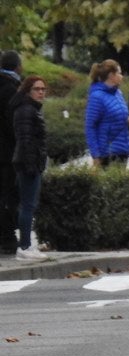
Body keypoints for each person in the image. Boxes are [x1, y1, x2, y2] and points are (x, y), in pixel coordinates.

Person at [11, 75, 49, 262]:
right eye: (37, 89)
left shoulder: (28, 109)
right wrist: (31, 164)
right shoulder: (27, 110)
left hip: (30, 162)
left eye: (43, 89)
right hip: (29, 164)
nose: (41, 92)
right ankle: (24, 246)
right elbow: (26, 140)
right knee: (28, 205)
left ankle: (26, 245)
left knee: (28, 205)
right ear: (28, 91)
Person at [85, 59, 129, 167]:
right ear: (111, 75)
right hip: (107, 153)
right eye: (119, 73)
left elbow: (114, 118)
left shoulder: (118, 93)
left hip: (123, 150)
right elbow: (90, 127)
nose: (122, 76)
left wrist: (127, 121)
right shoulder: (97, 96)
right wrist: (96, 155)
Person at [1, 50, 22, 256]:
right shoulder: (11, 90)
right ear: (18, 67)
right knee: (9, 196)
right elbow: (12, 125)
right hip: (7, 154)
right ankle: (7, 238)